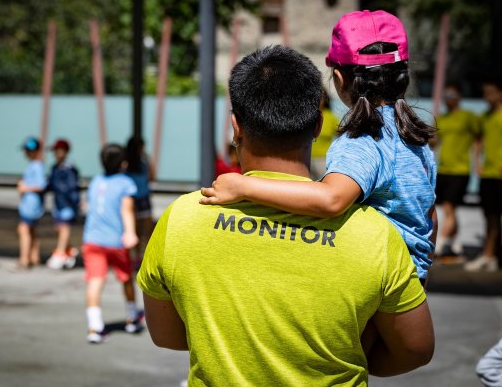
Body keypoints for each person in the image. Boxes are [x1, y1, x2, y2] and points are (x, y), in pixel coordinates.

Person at [138, 45, 434, 385]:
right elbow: (415, 349)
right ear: (318, 125)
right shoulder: (376, 234)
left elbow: (168, 336)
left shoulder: (182, 218)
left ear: (236, 127)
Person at [200, 10, 438, 283]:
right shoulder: (413, 138)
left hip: (379, 277)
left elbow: (331, 200)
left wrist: (244, 187)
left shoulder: (364, 140)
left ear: (339, 78)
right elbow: (430, 215)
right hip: (412, 273)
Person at [83, 144, 142, 343]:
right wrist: (130, 233)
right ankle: (132, 318)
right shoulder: (126, 183)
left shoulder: (96, 181)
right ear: (123, 163)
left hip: (92, 239)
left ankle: (94, 327)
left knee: (95, 281)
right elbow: (127, 210)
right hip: (115, 241)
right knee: (126, 279)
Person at [431, 83, 480, 258]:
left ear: (459, 97)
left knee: (449, 207)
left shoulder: (468, 117)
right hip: (443, 168)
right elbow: (434, 142)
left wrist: (477, 161)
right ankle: (456, 243)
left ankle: (440, 244)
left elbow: (478, 138)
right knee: (448, 208)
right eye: (446, 95)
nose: (448, 99)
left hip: (461, 169)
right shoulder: (442, 118)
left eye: (451, 95)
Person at [464, 78, 502, 272]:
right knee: (490, 217)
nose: (487, 97)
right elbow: (479, 140)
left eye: (491, 93)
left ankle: (492, 255)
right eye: (485, 93)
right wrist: (477, 162)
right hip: (489, 174)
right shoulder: (485, 116)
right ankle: (489, 256)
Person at [45, 138, 80, 270]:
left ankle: (59, 254)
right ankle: (69, 251)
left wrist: (76, 203)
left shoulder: (69, 168)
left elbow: (72, 187)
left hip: (68, 204)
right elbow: (50, 185)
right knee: (59, 229)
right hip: (58, 203)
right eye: (55, 151)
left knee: (64, 228)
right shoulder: (54, 167)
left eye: (58, 150)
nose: (56, 153)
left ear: (65, 151)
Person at [125, 137, 155, 269]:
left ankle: (139, 256)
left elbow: (151, 177)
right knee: (143, 230)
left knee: (141, 230)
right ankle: (140, 257)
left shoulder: (136, 163)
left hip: (139, 198)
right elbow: (152, 177)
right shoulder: (133, 163)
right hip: (138, 198)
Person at [17, 137, 46, 270]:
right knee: (32, 231)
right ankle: (34, 257)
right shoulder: (33, 165)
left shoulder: (37, 166)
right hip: (29, 204)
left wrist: (25, 188)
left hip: (31, 205)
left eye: (28, 150)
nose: (26, 153)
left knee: (23, 229)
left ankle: (24, 259)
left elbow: (41, 185)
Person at [310, 88, 339, 180]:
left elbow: (342, 136)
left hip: (323, 160)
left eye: (321, 98)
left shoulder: (331, 117)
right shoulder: (307, 116)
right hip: (306, 159)